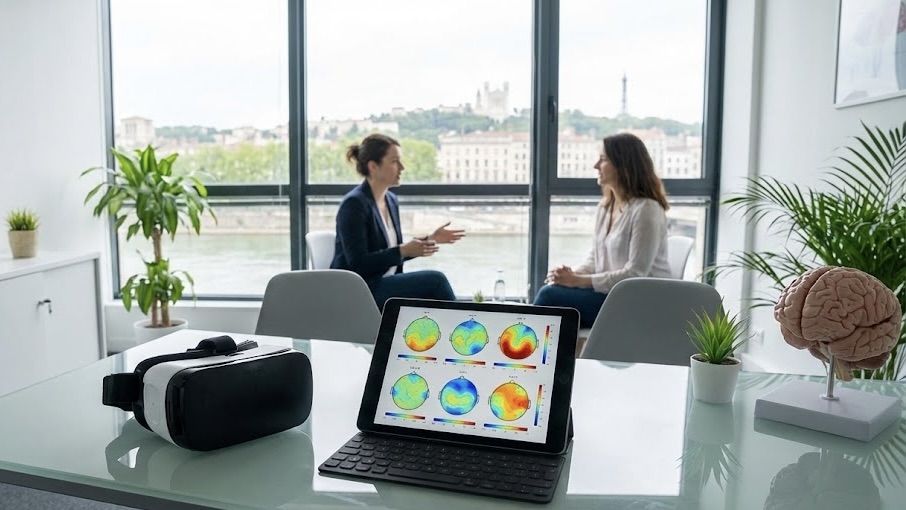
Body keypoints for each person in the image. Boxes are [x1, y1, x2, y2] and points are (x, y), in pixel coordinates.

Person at [533, 132, 671, 328]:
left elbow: (635, 274)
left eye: (603, 159)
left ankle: (527, 352)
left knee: (550, 297)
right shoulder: (605, 207)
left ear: (623, 165)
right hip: (611, 295)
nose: (595, 165)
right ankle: (549, 355)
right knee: (554, 290)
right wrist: (569, 276)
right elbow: (596, 258)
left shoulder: (647, 210)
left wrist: (577, 280)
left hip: (638, 302)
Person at [331, 133, 465, 309]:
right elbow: (358, 263)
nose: (402, 167)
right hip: (360, 289)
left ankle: (449, 334)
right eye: (395, 162)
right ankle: (464, 334)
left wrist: (430, 240)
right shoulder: (354, 204)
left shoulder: (391, 200)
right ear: (373, 166)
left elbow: (392, 254)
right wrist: (402, 251)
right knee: (436, 281)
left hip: (383, 283)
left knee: (434, 293)